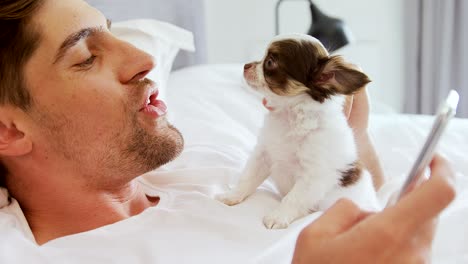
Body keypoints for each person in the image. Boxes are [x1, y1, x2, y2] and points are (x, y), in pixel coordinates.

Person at [0, 0, 455, 262]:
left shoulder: (207, 160)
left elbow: (353, 196)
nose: (146, 59)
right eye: (86, 56)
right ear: (8, 130)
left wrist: (355, 135)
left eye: (114, 33)